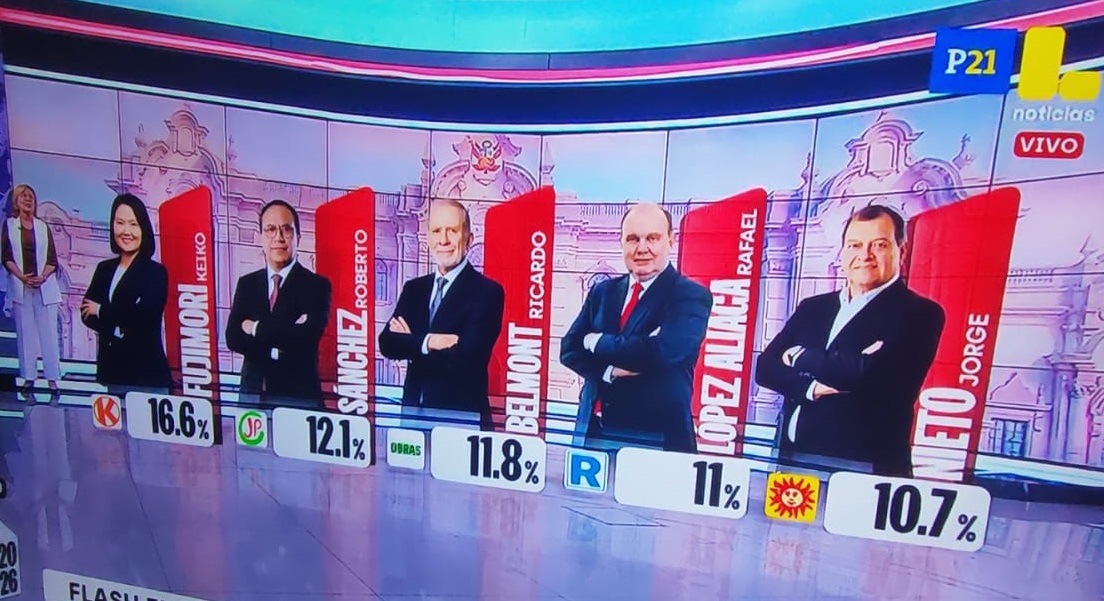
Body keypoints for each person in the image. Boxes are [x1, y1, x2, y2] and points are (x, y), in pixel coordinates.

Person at [755, 204, 945, 477]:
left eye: (879, 245)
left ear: (901, 252)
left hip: (863, 471)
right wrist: (811, 387)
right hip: (791, 465)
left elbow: (868, 375)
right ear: (843, 252)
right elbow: (765, 368)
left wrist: (798, 356)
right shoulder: (813, 308)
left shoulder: (919, 313)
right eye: (855, 245)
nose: (865, 255)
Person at [560, 202, 712, 453]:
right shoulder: (603, 291)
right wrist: (608, 371)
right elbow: (569, 349)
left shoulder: (690, 295)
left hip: (654, 443)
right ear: (621, 243)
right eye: (633, 239)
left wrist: (595, 341)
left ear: (670, 241)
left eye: (652, 238)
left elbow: (661, 353)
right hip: (592, 435)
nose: (642, 248)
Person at [378, 199, 505, 428]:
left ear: (469, 239)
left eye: (452, 231)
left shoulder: (488, 292)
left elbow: (467, 358)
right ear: (428, 239)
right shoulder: (414, 289)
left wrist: (411, 342)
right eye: (437, 231)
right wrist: (430, 342)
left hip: (461, 422)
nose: (443, 240)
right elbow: (387, 343)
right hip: (412, 418)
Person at [226, 200, 331, 407]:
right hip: (252, 398)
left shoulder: (317, 286)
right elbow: (233, 338)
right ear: (261, 237)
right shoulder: (247, 284)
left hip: (299, 400)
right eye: (270, 229)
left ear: (298, 237)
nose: (279, 238)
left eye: (286, 230)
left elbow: (305, 338)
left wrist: (254, 328)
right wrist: (282, 340)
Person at [80, 193, 172, 391]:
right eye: (120, 223)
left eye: (133, 224)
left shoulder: (155, 272)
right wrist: (121, 319)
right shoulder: (104, 269)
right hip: (112, 372)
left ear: (143, 228)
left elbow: (145, 316)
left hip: (146, 374)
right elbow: (87, 313)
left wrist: (102, 311)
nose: (126, 231)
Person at [2, 184, 62, 397]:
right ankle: (29, 377)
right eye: (23, 196)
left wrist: (42, 277)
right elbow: (6, 257)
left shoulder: (42, 227)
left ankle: (53, 379)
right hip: (22, 287)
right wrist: (22, 277)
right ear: (16, 202)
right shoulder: (9, 226)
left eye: (31, 197)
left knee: (49, 335)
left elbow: (52, 259)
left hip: (44, 287)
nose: (28, 200)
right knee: (26, 333)